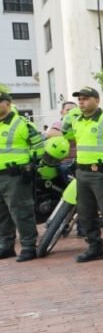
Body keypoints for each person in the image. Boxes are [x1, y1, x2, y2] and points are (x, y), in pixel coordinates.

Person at [63, 86, 103, 265]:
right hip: (82, 173)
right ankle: (94, 248)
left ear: (97, 100)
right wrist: (69, 115)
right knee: (85, 214)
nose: (81, 102)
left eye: (85, 98)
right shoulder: (77, 121)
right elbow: (65, 133)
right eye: (79, 99)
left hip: (101, 173)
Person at [0, 91, 44, 262]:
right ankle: (6, 246)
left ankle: (28, 246)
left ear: (7, 103)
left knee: (21, 212)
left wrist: (29, 166)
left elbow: (39, 147)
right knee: (2, 214)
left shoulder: (22, 124)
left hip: (15, 177)